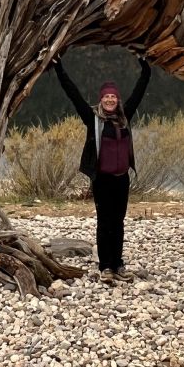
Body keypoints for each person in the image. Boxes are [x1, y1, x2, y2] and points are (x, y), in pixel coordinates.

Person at [52, 55, 151, 284]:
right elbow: (73, 94)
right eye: (106, 97)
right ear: (101, 99)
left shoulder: (125, 116)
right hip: (102, 180)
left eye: (113, 97)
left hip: (121, 179)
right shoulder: (92, 118)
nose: (109, 100)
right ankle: (105, 266)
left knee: (118, 221)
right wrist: (59, 68)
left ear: (117, 100)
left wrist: (145, 66)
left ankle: (118, 264)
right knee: (104, 221)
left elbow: (141, 87)